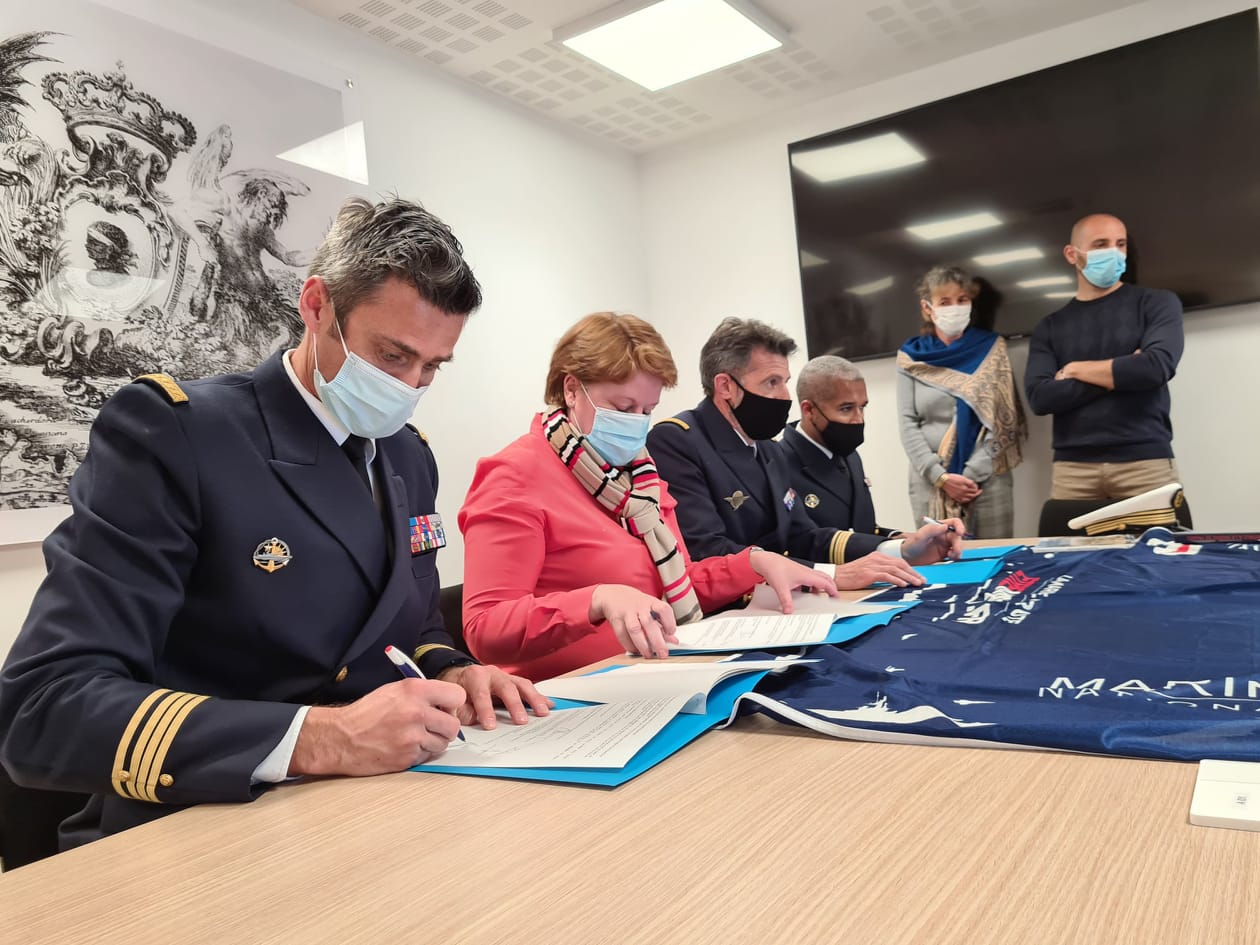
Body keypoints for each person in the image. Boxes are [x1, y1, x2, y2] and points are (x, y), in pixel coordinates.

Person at [0, 197, 549, 850]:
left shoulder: (407, 454)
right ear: (316, 306)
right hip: (200, 830)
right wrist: (321, 736)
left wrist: (456, 670)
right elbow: (44, 708)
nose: (411, 385)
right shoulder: (176, 435)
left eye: (432, 367)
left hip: (377, 811)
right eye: (393, 356)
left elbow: (413, 622)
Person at [458, 312, 839, 682]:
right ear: (571, 389)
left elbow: (674, 582)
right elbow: (486, 628)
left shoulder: (641, 472)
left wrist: (753, 564)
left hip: (653, 677)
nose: (637, 423)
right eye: (623, 408)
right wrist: (594, 601)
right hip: (567, 696)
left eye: (648, 410)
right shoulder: (515, 474)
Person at [647, 317, 963, 589]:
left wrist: (900, 549)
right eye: (771, 382)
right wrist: (828, 575)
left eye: (785, 382)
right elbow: (709, 550)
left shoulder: (767, 448)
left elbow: (804, 536)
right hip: (732, 614)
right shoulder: (678, 441)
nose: (786, 397)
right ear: (725, 386)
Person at [1024, 213, 1185, 500]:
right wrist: (1122, 372)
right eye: (1100, 244)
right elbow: (1040, 397)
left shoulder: (1157, 303)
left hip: (1145, 464)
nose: (1113, 252)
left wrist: (1073, 370)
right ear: (1072, 255)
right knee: (1069, 547)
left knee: (1157, 546)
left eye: (1120, 244)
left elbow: (1155, 368)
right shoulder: (1050, 326)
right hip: (1073, 470)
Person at [897, 265, 1027, 537]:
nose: (954, 307)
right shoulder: (911, 357)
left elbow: (1006, 418)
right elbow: (907, 423)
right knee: (938, 563)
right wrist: (940, 476)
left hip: (988, 479)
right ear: (928, 308)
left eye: (962, 300)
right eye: (945, 302)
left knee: (996, 561)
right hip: (929, 481)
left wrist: (970, 474)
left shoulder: (992, 348)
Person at [775, 355, 903, 540]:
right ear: (809, 410)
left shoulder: (850, 455)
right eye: (846, 409)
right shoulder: (780, 464)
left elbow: (861, 528)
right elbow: (802, 543)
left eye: (862, 407)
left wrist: (899, 538)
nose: (859, 419)